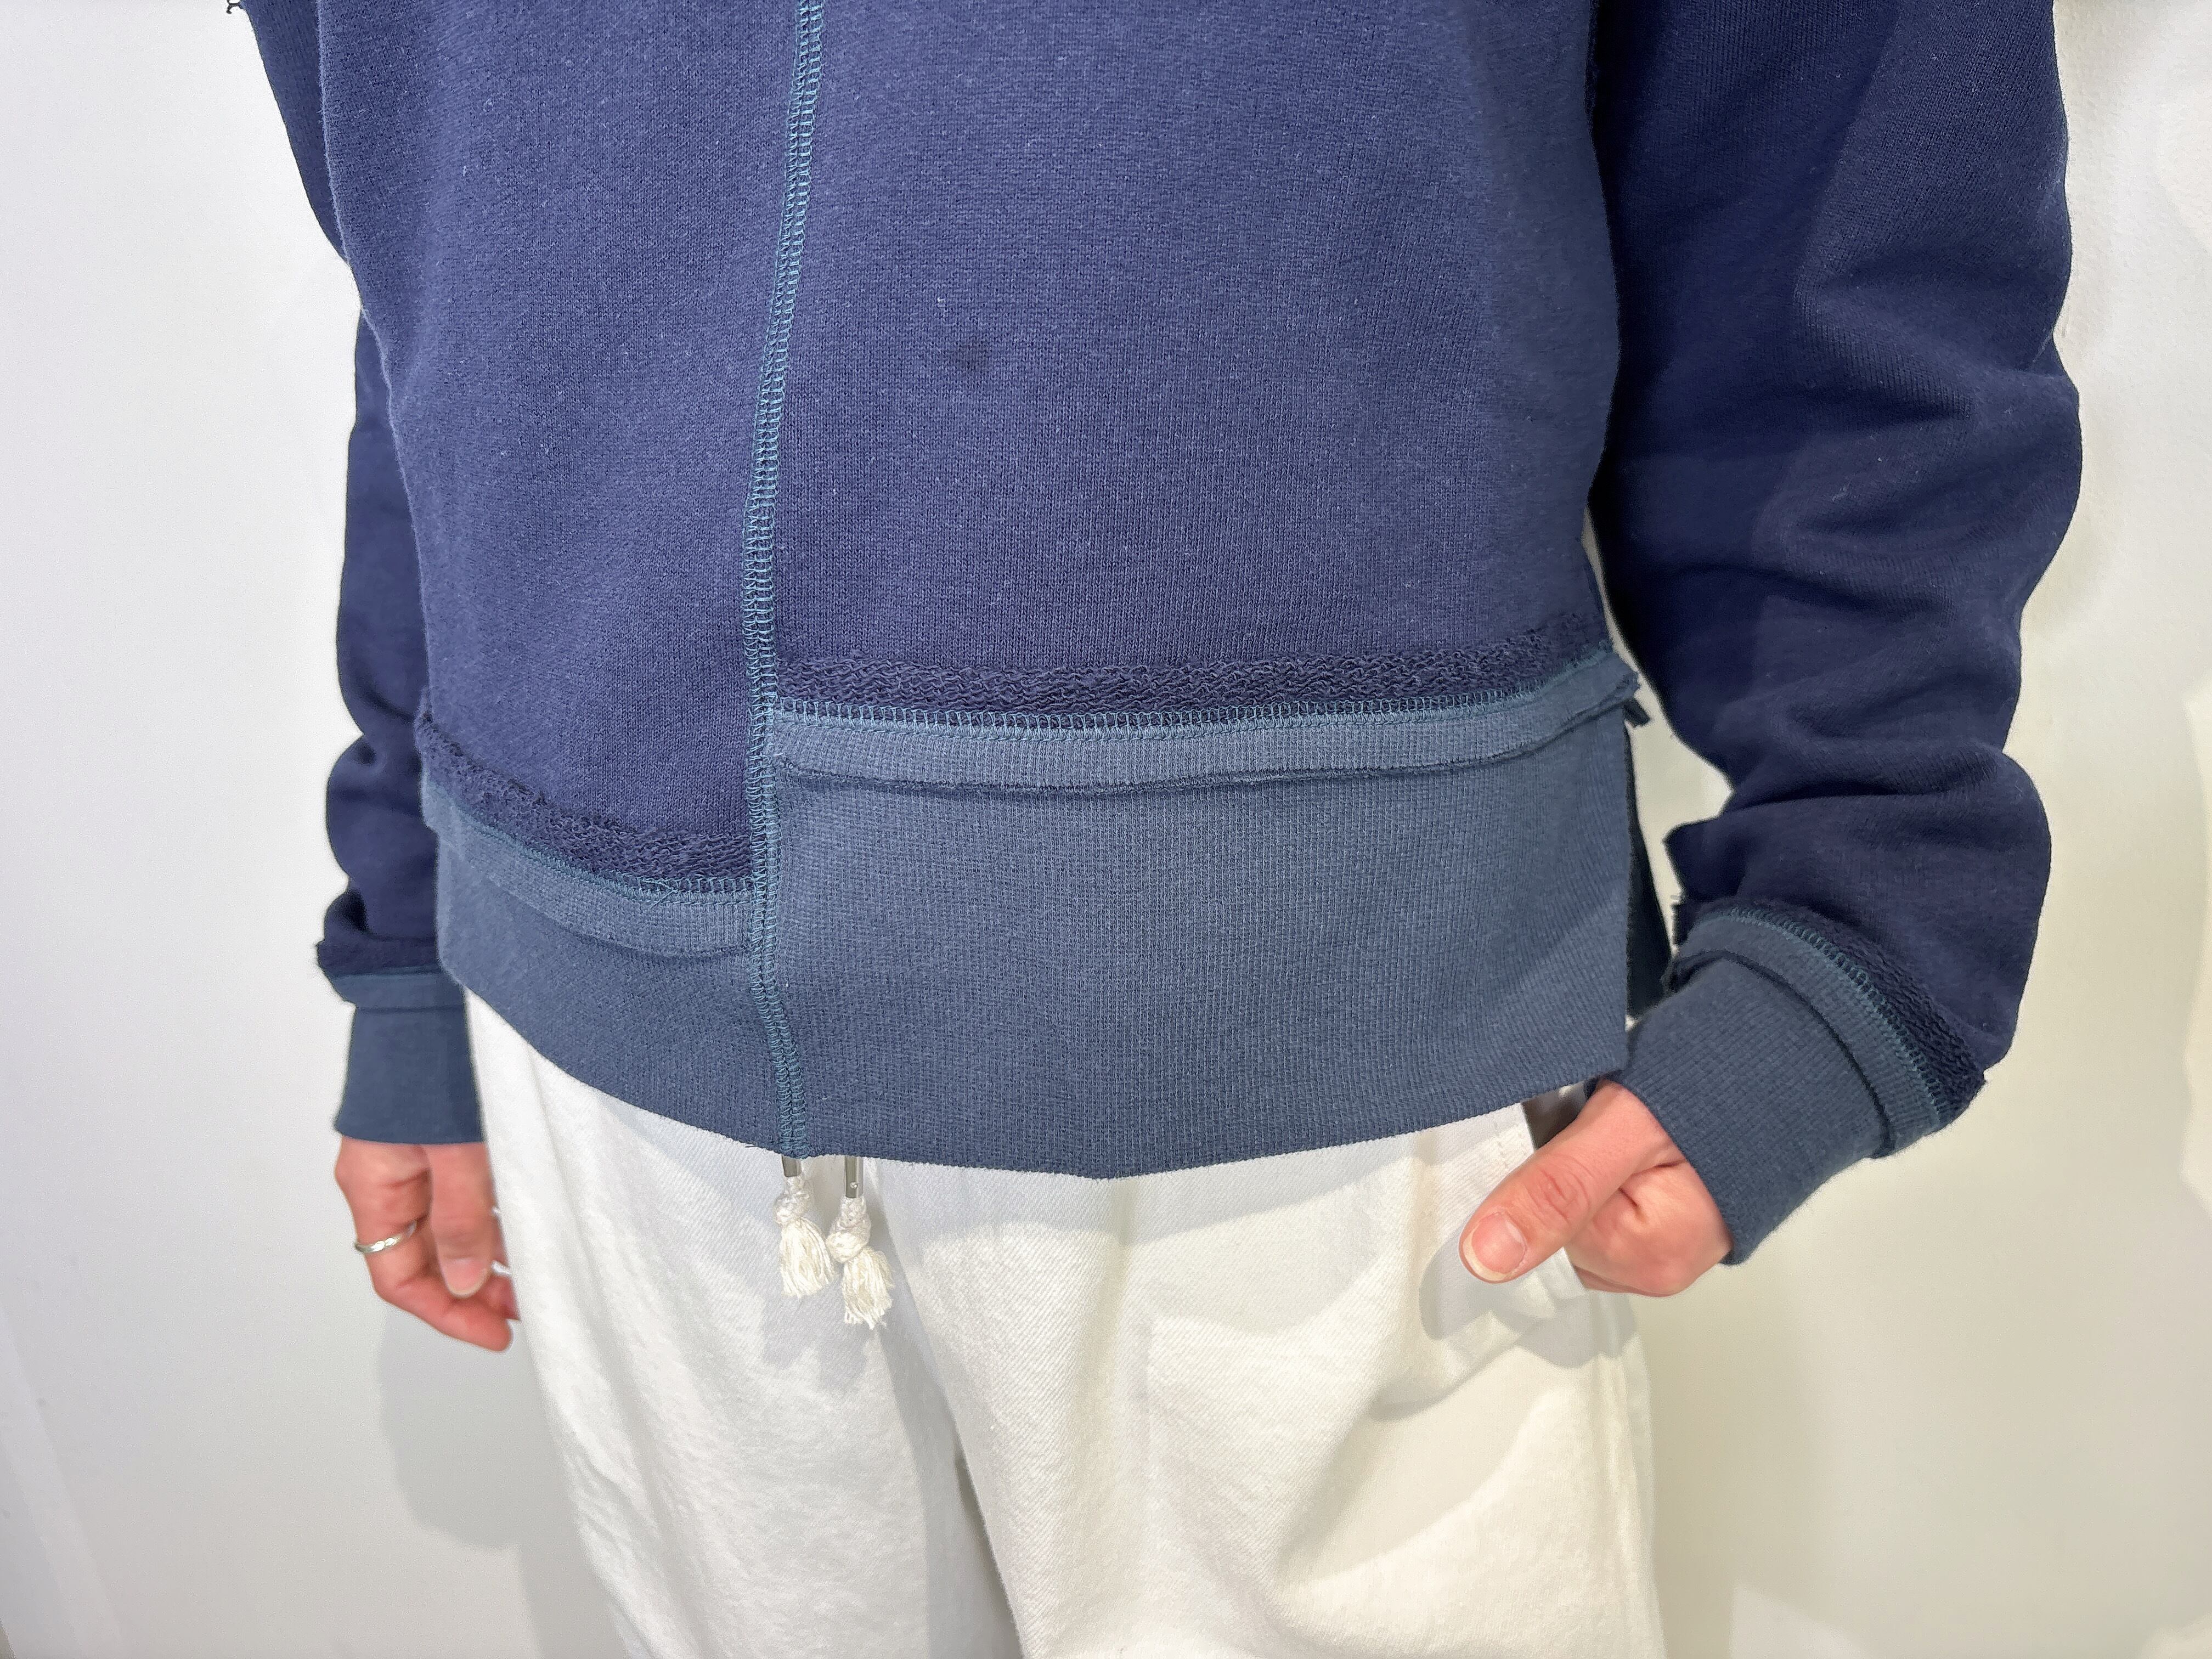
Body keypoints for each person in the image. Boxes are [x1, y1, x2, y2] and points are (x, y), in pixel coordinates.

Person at [240, 1, 2079, 1653]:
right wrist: (414, 919)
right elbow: (438, 249)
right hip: (609, 1054)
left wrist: (1867, 882)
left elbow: (1833, 145)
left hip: (1325, 1093)